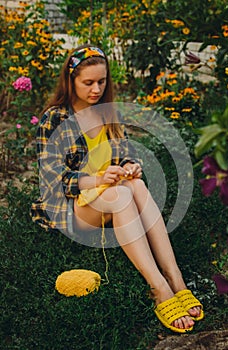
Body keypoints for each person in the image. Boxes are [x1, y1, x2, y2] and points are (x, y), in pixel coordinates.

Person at [31, 44, 204, 333]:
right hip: (72, 208)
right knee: (122, 193)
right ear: (70, 80)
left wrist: (130, 166)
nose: (96, 89)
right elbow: (53, 182)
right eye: (88, 82)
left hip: (106, 195)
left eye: (102, 81)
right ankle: (158, 287)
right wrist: (97, 180)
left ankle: (176, 278)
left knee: (133, 183)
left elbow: (123, 154)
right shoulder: (55, 119)